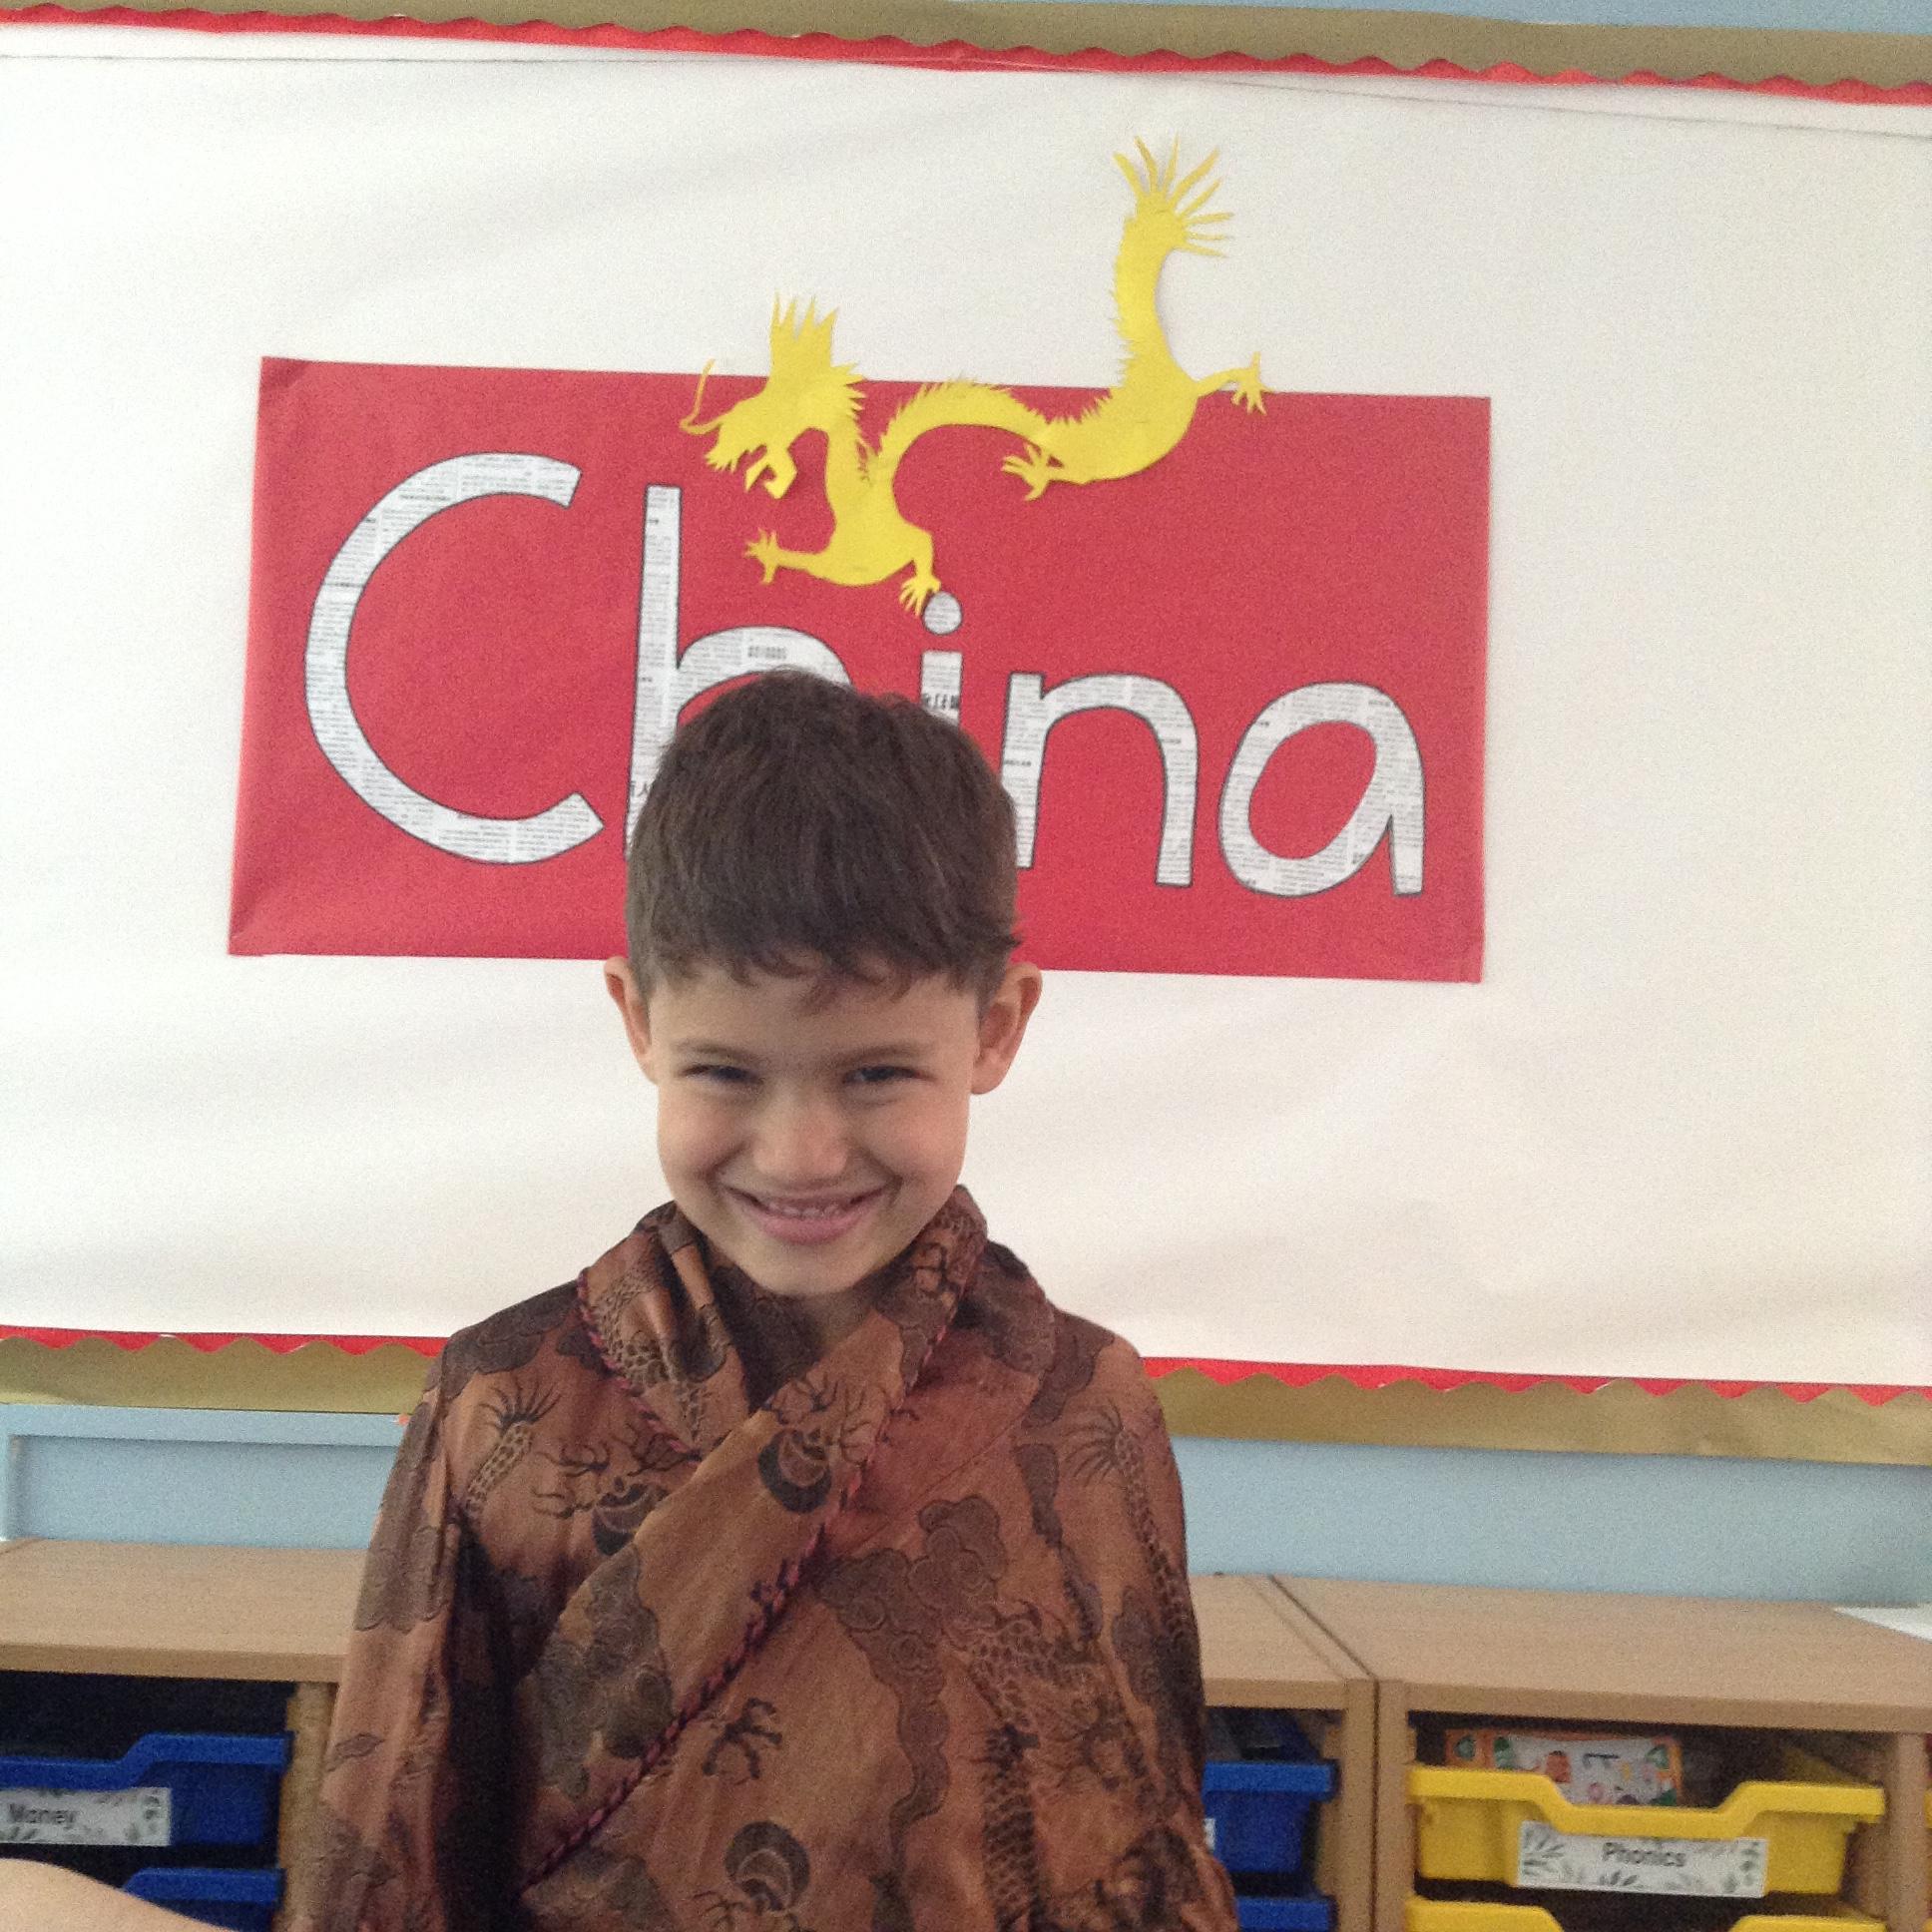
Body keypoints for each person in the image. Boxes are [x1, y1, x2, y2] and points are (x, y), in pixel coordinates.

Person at [0, 671, 1236, 1932]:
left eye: (876, 1075)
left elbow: (1132, 1849)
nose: (800, 1153)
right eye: (726, 1073)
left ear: (996, 1029)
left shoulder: (1083, 1408)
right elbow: (397, 1858)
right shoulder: (505, 1408)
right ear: (638, 1019)